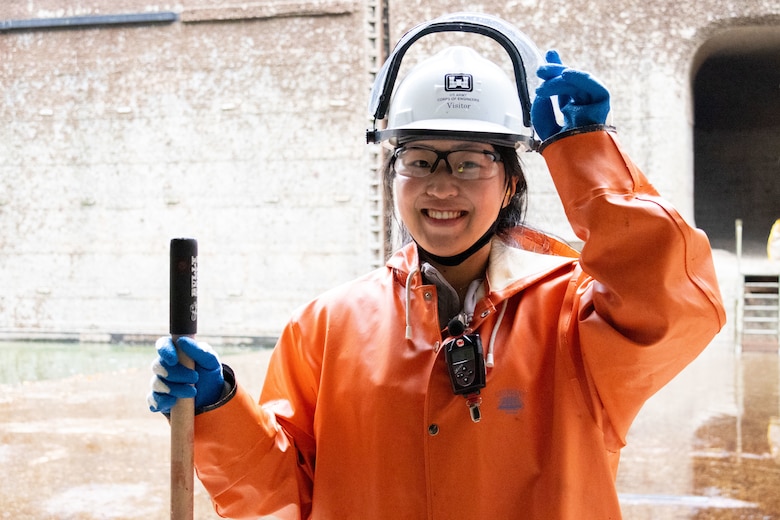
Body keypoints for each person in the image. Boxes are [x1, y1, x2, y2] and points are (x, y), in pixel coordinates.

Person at [148, 12, 725, 519]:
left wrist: (585, 154)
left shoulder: (578, 319)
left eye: (471, 162)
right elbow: (280, 496)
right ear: (393, 178)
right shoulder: (325, 327)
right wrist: (220, 410)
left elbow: (675, 304)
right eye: (419, 160)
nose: (442, 184)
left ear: (510, 186)